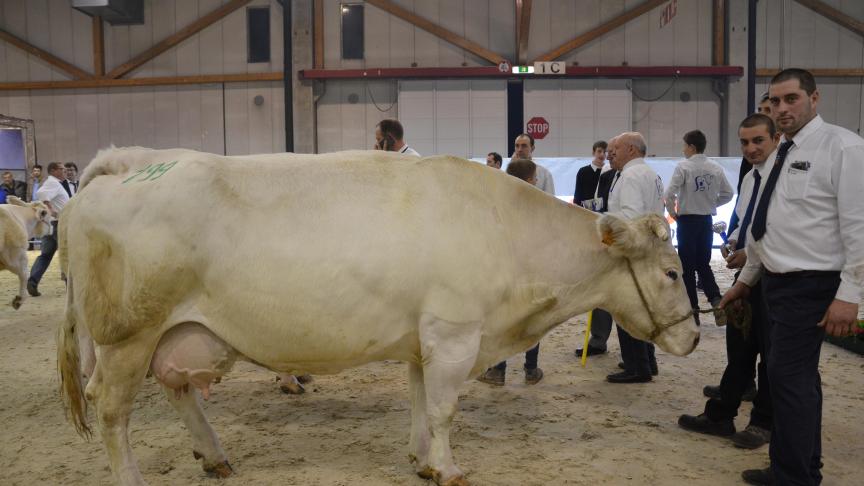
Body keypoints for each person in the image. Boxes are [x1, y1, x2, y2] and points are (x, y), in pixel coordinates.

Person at [720, 69, 864, 486]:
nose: (782, 109)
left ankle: (795, 475)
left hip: (812, 284)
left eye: (791, 99)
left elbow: (858, 228)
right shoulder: (779, 153)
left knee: (789, 381)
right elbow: (769, 229)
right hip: (777, 284)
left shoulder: (843, 148)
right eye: (776, 101)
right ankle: (797, 467)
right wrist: (746, 281)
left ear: (814, 99)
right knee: (790, 380)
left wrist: (850, 295)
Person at [678, 114, 779, 450]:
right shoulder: (751, 178)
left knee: (769, 354)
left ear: (775, 139)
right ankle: (721, 413)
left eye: (758, 141)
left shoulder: (785, 177)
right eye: (745, 142)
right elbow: (746, 219)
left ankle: (763, 423)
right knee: (739, 346)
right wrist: (736, 240)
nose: (750, 148)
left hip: (775, 277)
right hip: (747, 272)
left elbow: (777, 232)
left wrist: (749, 255)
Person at [477, 158, 545, 386]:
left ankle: (497, 370)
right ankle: (531, 369)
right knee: (533, 321)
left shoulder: (498, 205)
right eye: (534, 178)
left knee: (502, 322)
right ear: (528, 180)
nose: (536, 181)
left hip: (503, 273)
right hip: (531, 273)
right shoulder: (537, 207)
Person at [605, 132, 663, 383]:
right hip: (650, 248)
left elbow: (631, 217)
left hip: (632, 251)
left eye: (615, 149)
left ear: (631, 149)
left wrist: (610, 238)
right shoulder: (651, 174)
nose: (611, 154)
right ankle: (647, 360)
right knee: (644, 306)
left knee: (628, 308)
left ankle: (637, 366)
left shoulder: (629, 176)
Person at [664, 130, 734, 323]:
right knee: (703, 264)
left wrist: (672, 213)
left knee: (687, 266)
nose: (683, 149)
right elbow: (728, 193)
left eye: (684, 145)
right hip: (706, 221)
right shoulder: (716, 167)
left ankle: (692, 311)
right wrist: (711, 204)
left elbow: (669, 193)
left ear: (692, 147)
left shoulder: (683, 167)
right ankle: (716, 300)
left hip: (687, 221)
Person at [572, 139, 617, 358]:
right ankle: (599, 340)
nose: (605, 155)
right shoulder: (587, 173)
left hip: (611, 236)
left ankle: (638, 352)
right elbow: (580, 200)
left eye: (609, 152)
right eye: (602, 152)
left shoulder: (614, 176)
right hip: (594, 231)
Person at [27, 162, 71, 297]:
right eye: (62, 169)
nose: (65, 171)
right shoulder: (53, 183)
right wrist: (51, 209)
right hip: (60, 224)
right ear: (53, 170)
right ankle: (71, 287)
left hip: (51, 225)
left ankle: (32, 281)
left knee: (45, 256)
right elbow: (41, 194)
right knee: (67, 255)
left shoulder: (54, 183)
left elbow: (42, 193)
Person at [572, 141, 607, 207]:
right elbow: (578, 195)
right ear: (593, 153)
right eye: (599, 151)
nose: (602, 154)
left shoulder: (610, 171)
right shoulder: (583, 171)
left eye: (605, 152)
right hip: (586, 212)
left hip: (605, 212)